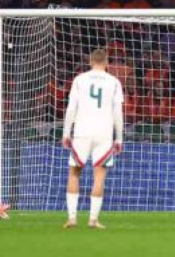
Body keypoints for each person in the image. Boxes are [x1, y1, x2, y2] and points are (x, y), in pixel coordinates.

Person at [62, 49, 124, 229]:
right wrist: (119, 138)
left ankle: (72, 218)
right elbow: (117, 112)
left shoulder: (80, 79)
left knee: (74, 172)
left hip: (82, 131)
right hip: (103, 133)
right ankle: (93, 220)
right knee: (99, 176)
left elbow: (71, 108)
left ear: (90, 61)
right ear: (107, 63)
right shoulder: (114, 82)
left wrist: (66, 133)